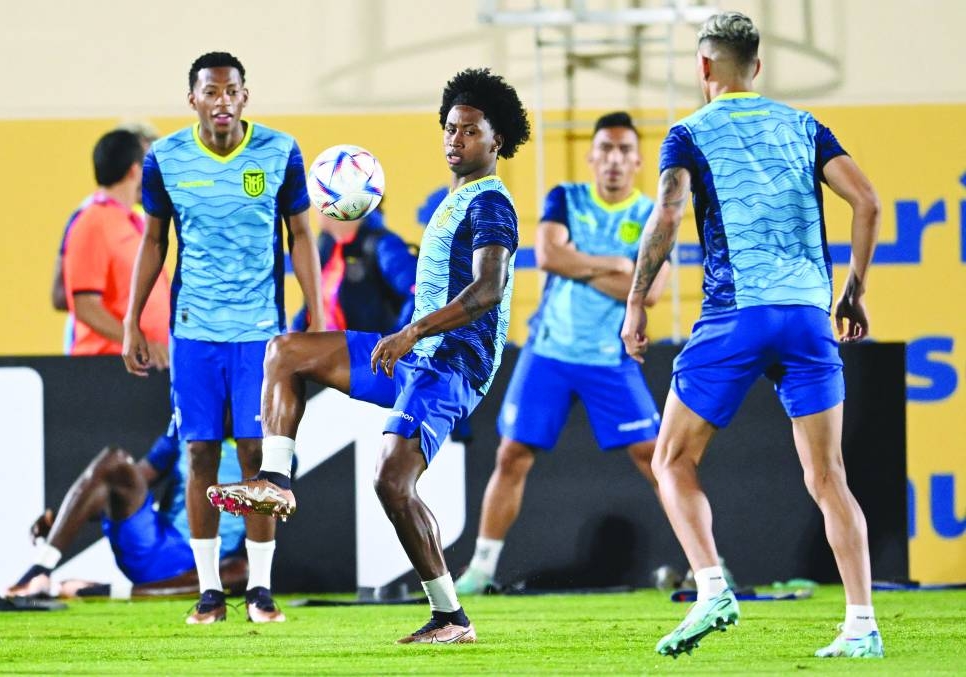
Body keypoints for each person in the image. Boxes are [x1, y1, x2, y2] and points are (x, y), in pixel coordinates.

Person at [207, 67, 531, 644]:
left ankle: (450, 617)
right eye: (450, 129)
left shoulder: (491, 204)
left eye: (470, 131)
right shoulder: (456, 199)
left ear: (496, 139)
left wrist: (411, 332)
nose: (456, 140)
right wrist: (410, 337)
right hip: (418, 352)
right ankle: (275, 480)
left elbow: (488, 290)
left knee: (390, 480)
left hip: (450, 363)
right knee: (285, 352)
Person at [620, 11, 882, 659]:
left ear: (704, 66)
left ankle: (712, 586)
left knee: (671, 460)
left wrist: (636, 302)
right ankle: (862, 624)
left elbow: (668, 214)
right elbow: (868, 202)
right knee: (828, 476)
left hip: (737, 315)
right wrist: (853, 289)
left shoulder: (689, 133)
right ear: (756, 66)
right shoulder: (804, 126)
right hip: (808, 316)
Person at [122, 51, 325, 624]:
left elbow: (301, 233)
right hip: (194, 333)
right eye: (210, 92)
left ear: (244, 96)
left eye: (231, 91)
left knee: (258, 455)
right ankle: (210, 591)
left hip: (260, 334)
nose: (222, 101)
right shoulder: (165, 158)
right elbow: (154, 241)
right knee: (199, 455)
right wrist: (133, 319)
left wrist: (316, 308)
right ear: (192, 99)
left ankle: (259, 589)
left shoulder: (279, 151)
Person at [455, 111, 670, 595]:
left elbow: (652, 291)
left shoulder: (650, 215)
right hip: (548, 351)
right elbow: (549, 256)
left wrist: (581, 263)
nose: (614, 159)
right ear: (592, 157)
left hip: (610, 358)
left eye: (624, 150)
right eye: (605, 149)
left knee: (659, 459)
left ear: (638, 161)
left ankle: (708, 567)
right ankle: (481, 571)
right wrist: (617, 265)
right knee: (511, 455)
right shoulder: (565, 198)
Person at [6, 419, 247, 606]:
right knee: (115, 462)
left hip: (201, 569)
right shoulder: (185, 428)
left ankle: (105, 592)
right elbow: (116, 487)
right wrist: (60, 519)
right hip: (152, 545)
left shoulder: (256, 448)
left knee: (242, 571)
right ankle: (38, 571)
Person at [61, 129, 170, 363]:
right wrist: (138, 341)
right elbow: (85, 305)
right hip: (108, 365)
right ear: (135, 170)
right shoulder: (94, 222)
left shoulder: (129, 221)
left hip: (143, 363)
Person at [291, 204, 417, 335]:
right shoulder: (326, 242)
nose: (314, 207)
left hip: (367, 346)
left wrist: (396, 339)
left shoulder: (383, 244)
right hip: (326, 344)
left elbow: (419, 294)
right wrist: (295, 331)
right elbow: (313, 302)